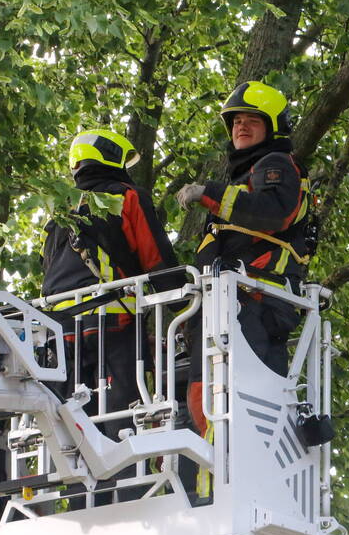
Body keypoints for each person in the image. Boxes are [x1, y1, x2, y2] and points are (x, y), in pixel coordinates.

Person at [176, 81, 313, 441]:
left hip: (256, 302)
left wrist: (209, 193)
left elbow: (272, 212)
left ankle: (222, 461)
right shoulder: (245, 177)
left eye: (252, 120)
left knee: (238, 400)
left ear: (273, 127)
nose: (241, 127)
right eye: (236, 121)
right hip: (225, 306)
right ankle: (210, 466)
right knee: (207, 400)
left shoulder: (277, 164)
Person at [41, 129, 179, 445]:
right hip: (113, 328)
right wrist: (188, 311)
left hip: (62, 336)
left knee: (75, 435)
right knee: (122, 429)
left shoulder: (57, 217)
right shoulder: (126, 197)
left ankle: (81, 480)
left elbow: (47, 270)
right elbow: (157, 260)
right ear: (111, 156)